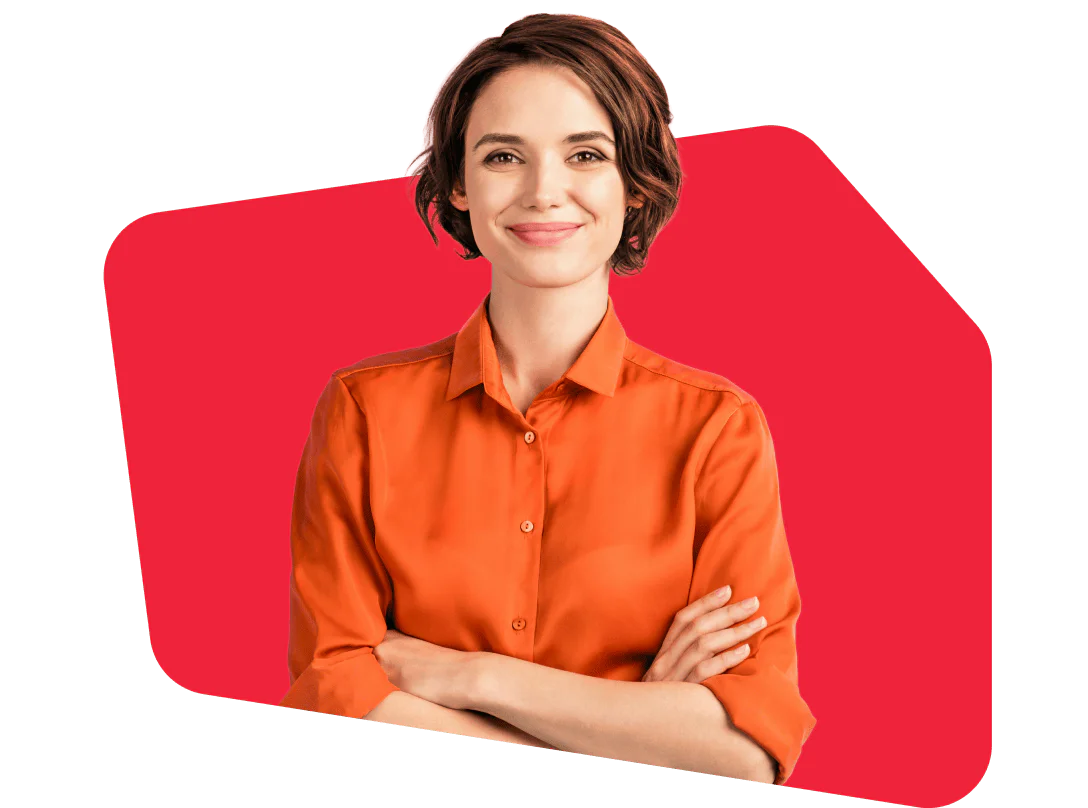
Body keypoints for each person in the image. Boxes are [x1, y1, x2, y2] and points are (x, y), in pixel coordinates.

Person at [278, 12, 816, 786]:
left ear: (633, 184)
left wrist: (473, 679)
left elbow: (751, 748)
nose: (543, 192)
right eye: (504, 156)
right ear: (459, 183)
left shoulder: (716, 429)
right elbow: (335, 700)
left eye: (586, 154)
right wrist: (637, 724)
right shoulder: (365, 411)